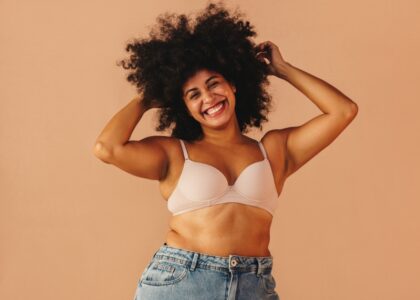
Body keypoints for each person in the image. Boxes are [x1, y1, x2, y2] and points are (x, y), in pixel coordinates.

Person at [93, 2, 358, 299]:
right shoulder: (173, 153)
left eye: (214, 84)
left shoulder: (274, 151)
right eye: (194, 95)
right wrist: (145, 98)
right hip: (182, 282)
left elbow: (343, 111)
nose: (208, 98)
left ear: (232, 84)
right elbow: (107, 148)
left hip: (253, 284)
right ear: (184, 106)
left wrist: (283, 69)